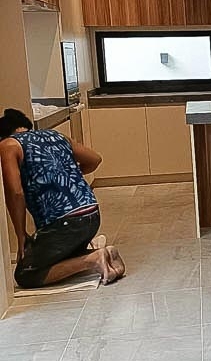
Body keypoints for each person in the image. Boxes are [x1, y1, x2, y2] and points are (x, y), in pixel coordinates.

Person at [0, 108, 124, 289]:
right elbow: (95, 159)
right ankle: (105, 254)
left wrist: (20, 235)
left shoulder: (8, 145)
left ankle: (94, 259)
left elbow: (15, 193)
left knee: (26, 274)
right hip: (92, 215)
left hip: (64, 223)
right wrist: (66, 175)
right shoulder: (55, 136)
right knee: (59, 256)